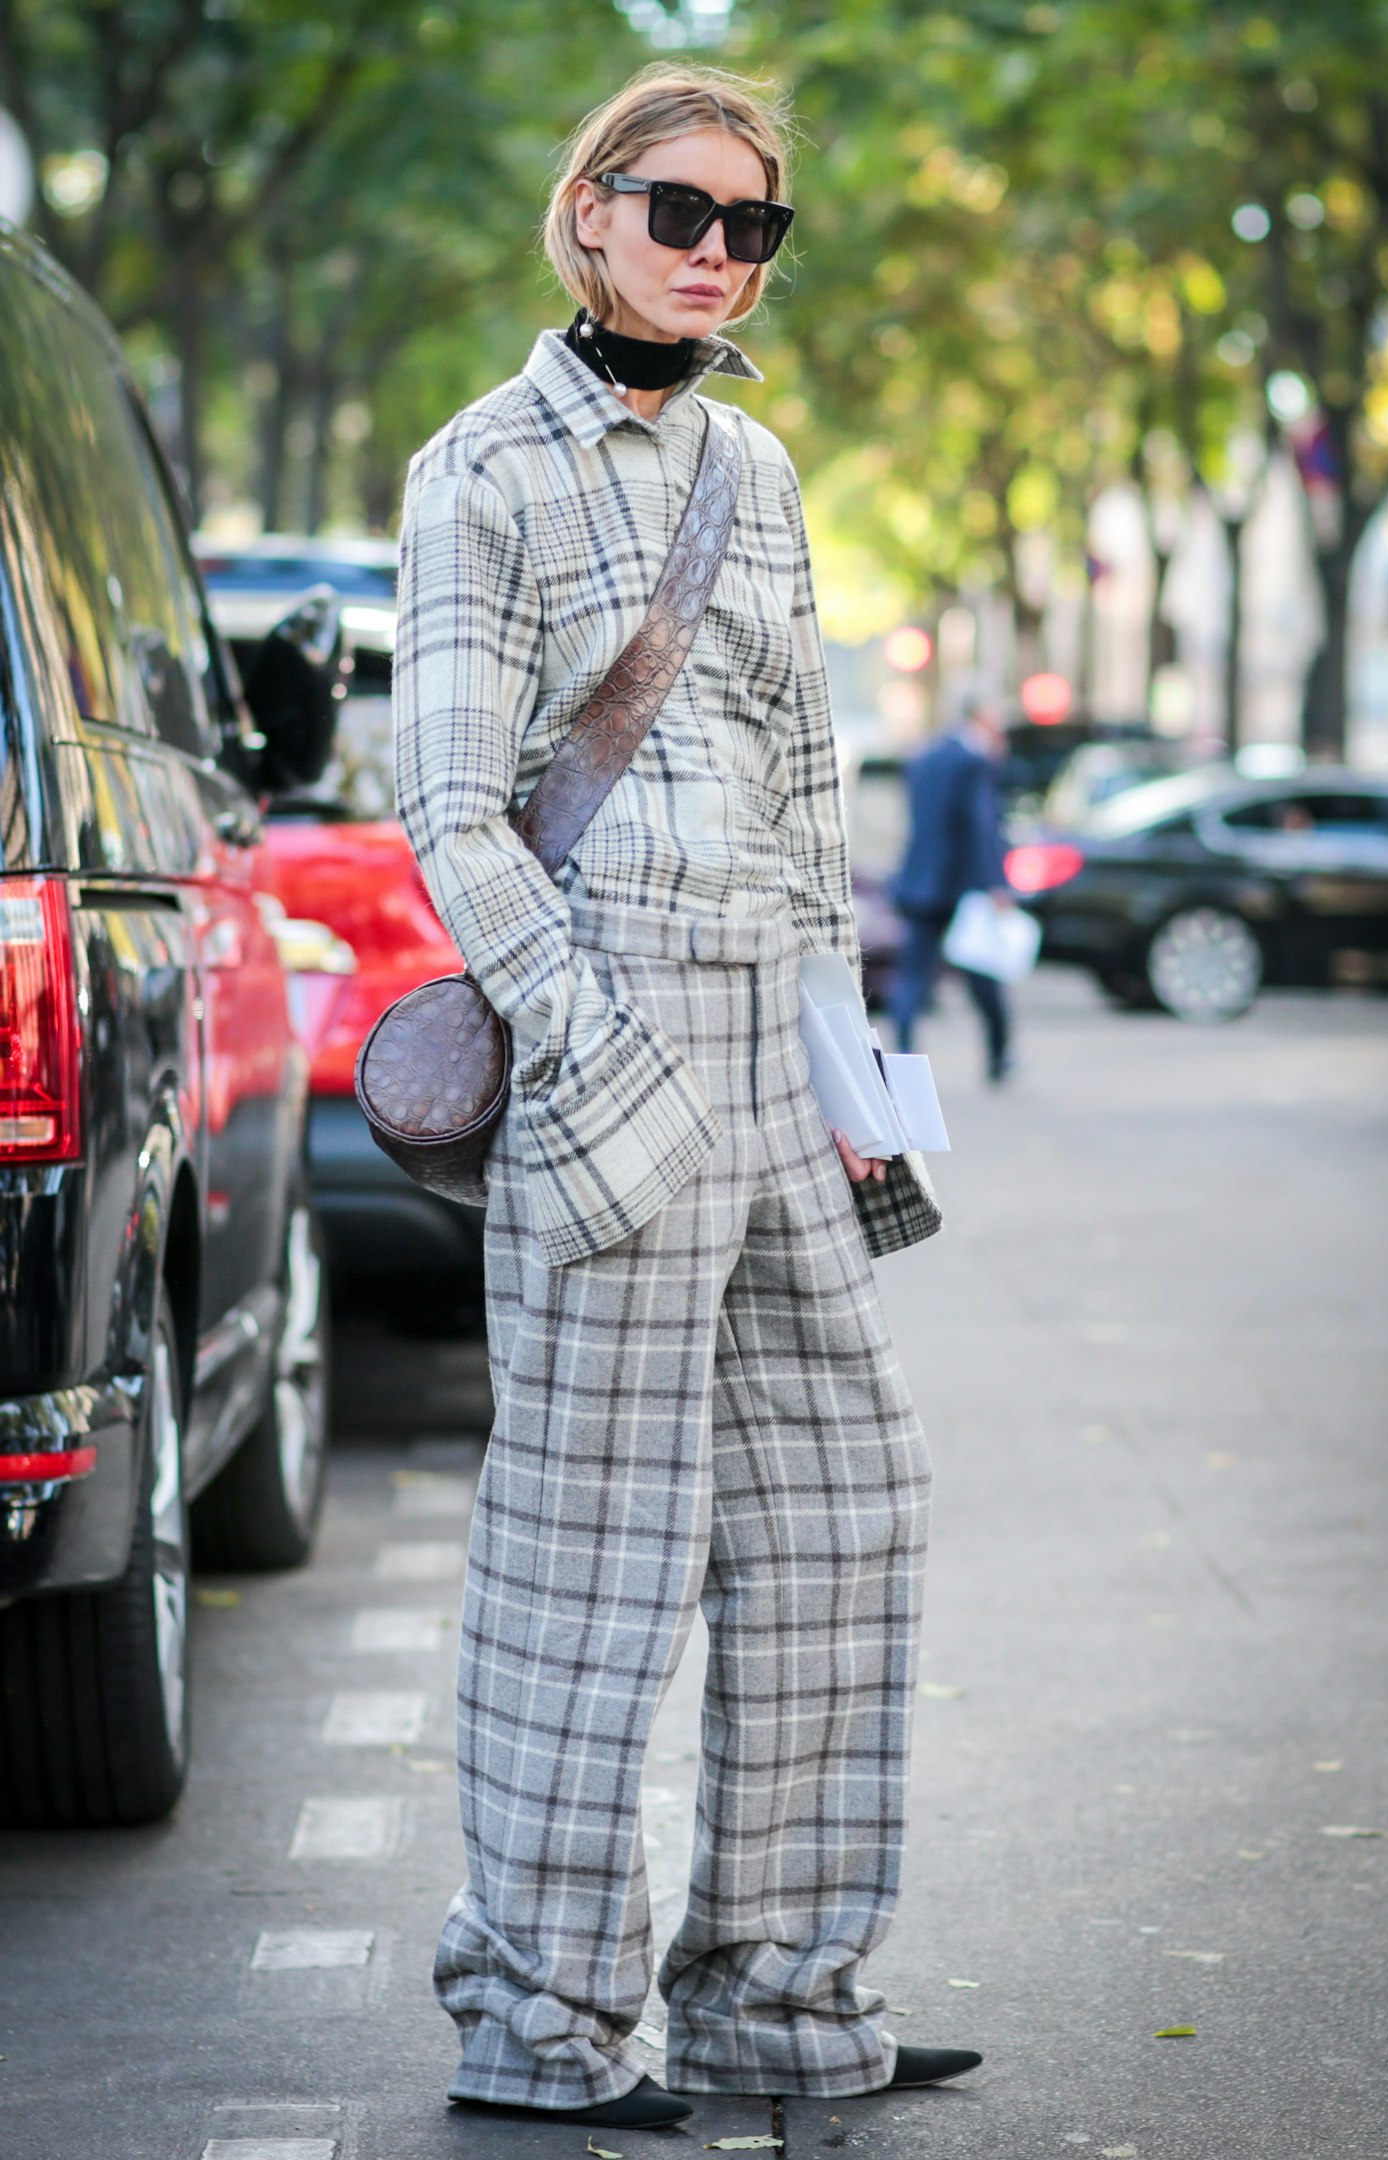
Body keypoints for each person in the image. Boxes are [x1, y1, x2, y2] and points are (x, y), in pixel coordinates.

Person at [392, 62, 980, 2136]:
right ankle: (542, 2026)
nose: (718, 253)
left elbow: (813, 797)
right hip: (607, 1041)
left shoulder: (765, 471)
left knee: (847, 1516)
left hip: (768, 1037)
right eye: (680, 211)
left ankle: (778, 2007)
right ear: (586, 215)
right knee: (594, 1555)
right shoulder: (479, 473)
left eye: (753, 227)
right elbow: (451, 816)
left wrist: (840, 1070)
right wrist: (583, 1048)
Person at [889, 692, 1014, 1079]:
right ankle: (998, 1056)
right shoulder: (973, 762)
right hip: (963, 885)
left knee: (912, 975)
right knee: (982, 975)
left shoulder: (923, 756)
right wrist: (997, 883)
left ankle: (903, 1051)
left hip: (920, 882)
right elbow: (982, 827)